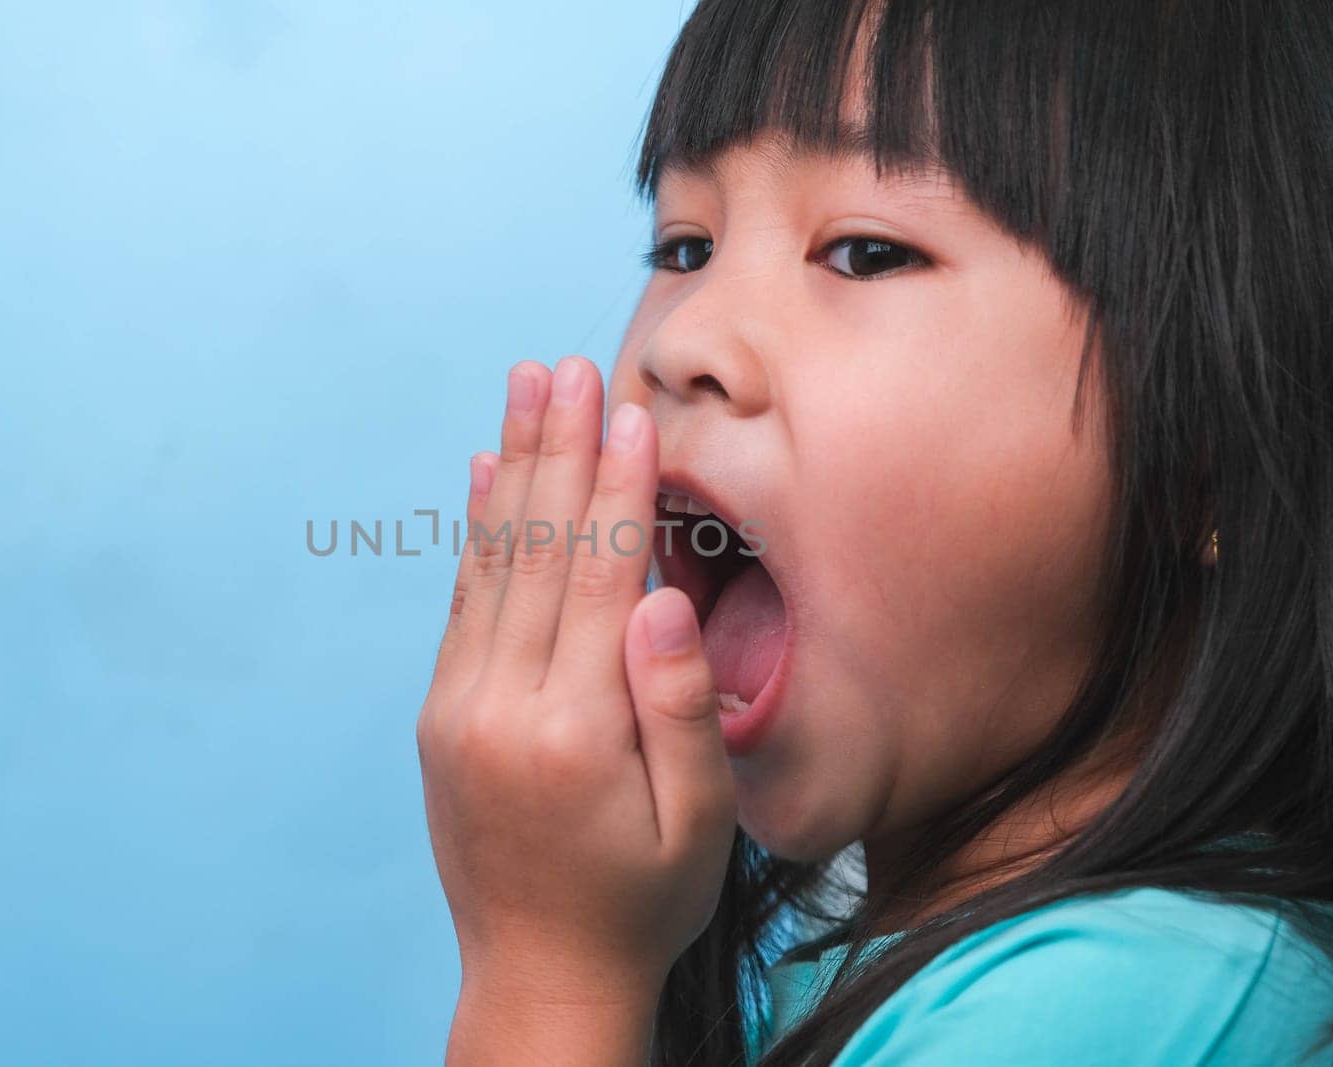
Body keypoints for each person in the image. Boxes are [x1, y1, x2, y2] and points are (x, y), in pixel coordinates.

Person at [414, 0, 1333, 1062]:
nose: (685, 338)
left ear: (1203, 459)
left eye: (862, 252)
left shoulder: (1120, 1005)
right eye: (682, 245)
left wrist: (549, 977)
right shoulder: (879, 964)